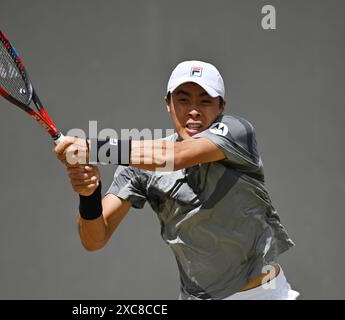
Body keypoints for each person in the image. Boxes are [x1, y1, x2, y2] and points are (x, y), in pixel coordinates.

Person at [54, 60, 299, 300]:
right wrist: (89, 194)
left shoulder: (237, 132)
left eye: (205, 101)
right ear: (168, 104)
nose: (193, 110)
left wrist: (92, 148)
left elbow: (176, 156)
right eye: (183, 99)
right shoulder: (142, 166)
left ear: (222, 107)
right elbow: (94, 239)